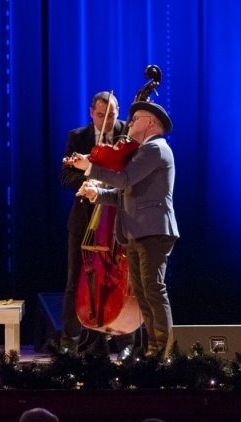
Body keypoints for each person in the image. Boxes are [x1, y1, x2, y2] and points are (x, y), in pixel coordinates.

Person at [71, 100, 178, 356]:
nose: (129, 124)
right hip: (136, 231)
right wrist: (97, 194)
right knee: (143, 293)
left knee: (153, 290)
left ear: (151, 122)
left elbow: (124, 179)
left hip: (153, 230)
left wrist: (90, 168)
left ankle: (165, 351)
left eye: (136, 119)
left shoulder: (155, 149)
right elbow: (124, 193)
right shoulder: (143, 151)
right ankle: (154, 350)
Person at [59, 91, 138, 357]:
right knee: (74, 281)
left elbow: (133, 175)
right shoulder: (77, 137)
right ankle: (68, 345)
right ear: (91, 113)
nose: (107, 120)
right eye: (101, 115)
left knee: (124, 280)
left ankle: (125, 345)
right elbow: (65, 177)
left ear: (119, 112)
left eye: (111, 115)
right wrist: (87, 179)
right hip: (84, 218)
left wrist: (108, 180)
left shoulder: (128, 134)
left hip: (118, 215)